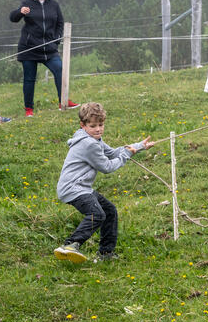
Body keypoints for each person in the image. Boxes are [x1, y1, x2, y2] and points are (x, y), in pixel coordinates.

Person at [54, 102, 155, 263]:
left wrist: (139, 146)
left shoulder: (95, 140)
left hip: (82, 187)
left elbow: (113, 152)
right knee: (97, 214)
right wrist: (126, 155)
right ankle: (71, 245)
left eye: (101, 125)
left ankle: (105, 254)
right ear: (83, 125)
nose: (98, 129)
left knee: (109, 211)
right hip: (73, 188)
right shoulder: (88, 144)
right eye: (93, 126)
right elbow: (107, 166)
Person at [9, 0, 79, 117]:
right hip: (29, 48)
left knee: (60, 70)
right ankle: (29, 109)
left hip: (49, 48)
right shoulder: (27, 3)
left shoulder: (54, 5)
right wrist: (20, 12)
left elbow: (60, 23)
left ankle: (63, 101)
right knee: (29, 79)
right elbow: (13, 18)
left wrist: (56, 40)